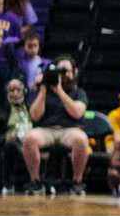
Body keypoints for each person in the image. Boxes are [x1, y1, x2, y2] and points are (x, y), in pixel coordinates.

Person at [25, 59, 91, 191]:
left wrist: (59, 91)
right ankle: (35, 181)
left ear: (74, 73)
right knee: (30, 138)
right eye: (60, 71)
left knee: (82, 139)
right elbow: (35, 116)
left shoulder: (79, 92)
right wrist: (43, 89)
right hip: (45, 130)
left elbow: (77, 113)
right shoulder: (41, 91)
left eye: (66, 71)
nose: (63, 75)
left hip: (70, 130)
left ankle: (77, 181)